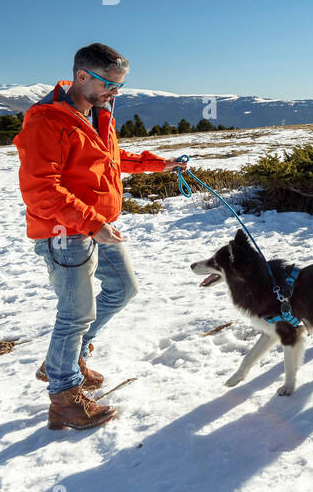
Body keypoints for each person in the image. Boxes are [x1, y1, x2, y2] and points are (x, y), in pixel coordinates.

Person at [13, 43, 186, 430]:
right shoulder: (47, 121)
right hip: (66, 231)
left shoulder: (97, 112)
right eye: (109, 84)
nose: (115, 93)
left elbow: (110, 159)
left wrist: (160, 164)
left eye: (120, 85)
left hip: (97, 227)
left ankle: (65, 358)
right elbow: (40, 188)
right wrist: (91, 223)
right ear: (81, 76)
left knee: (123, 289)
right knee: (75, 314)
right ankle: (64, 398)